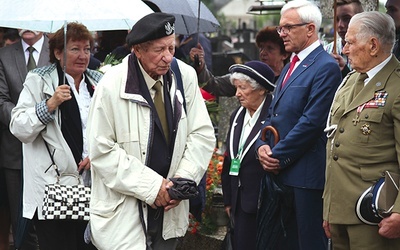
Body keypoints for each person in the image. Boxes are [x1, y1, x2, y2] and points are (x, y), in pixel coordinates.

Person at [86, 12, 215, 249]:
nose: (168, 57)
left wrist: (182, 181)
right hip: (124, 214)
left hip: (170, 210)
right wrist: (153, 187)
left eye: (171, 48)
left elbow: (202, 133)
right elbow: (101, 150)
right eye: (159, 50)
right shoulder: (111, 85)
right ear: (137, 50)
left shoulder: (184, 74)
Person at [255, 1, 342, 249]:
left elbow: (312, 122)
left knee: (308, 243)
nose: (282, 34)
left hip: (305, 178)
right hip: (282, 174)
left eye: (288, 28)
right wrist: (262, 146)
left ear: (310, 29)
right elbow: (274, 113)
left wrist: (277, 156)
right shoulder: (290, 65)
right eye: (281, 28)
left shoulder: (325, 66)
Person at [9, 22, 102, 250]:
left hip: (91, 182)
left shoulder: (98, 82)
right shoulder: (39, 79)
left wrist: (98, 156)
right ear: (58, 52)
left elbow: (109, 130)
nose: (83, 56)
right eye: (75, 49)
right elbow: (19, 126)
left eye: (87, 49)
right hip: (52, 187)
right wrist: (49, 105)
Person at [323, 11, 400, 249]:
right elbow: (334, 145)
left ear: (373, 45)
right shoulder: (350, 81)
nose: (344, 49)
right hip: (340, 212)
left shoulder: (397, 86)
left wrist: (399, 212)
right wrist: (329, 208)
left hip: (376, 215)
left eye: (349, 42)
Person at [0, 28, 50, 250]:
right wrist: (29, 121)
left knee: (51, 221)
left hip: (52, 151)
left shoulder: (58, 50)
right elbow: (1, 101)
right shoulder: (4, 55)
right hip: (15, 151)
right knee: (22, 222)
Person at [221, 61, 275, 250]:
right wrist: (228, 199)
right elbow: (229, 159)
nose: (237, 94)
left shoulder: (274, 115)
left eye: (243, 88)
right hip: (238, 203)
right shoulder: (237, 115)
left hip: (263, 203)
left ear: (261, 90)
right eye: (236, 88)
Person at [190, 26, 290, 97]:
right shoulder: (248, 75)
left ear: (284, 55)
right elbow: (214, 86)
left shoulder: (291, 77)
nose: (263, 53)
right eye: (261, 47)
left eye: (270, 49)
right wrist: (201, 66)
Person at [325, 0, 363, 76]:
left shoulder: (369, 53)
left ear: (360, 19)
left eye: (346, 19)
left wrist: (345, 71)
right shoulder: (327, 51)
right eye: (336, 19)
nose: (340, 25)